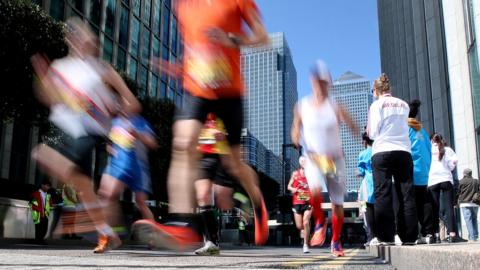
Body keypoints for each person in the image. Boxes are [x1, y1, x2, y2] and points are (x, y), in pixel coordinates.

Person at [135, 0, 270, 249]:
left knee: (233, 163)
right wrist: (177, 68)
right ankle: (182, 223)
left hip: (229, 92)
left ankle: (256, 198)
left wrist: (232, 39)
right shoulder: (183, 6)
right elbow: (196, 49)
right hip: (197, 89)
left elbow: (263, 38)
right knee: (183, 143)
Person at [30, 18, 140, 253]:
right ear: (69, 39)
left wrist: (119, 107)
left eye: (84, 36)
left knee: (47, 157)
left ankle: (88, 220)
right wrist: (44, 81)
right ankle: (107, 233)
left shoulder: (103, 70)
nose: (80, 40)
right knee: (80, 184)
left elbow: (133, 103)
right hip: (62, 128)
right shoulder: (60, 67)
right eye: (74, 35)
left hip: (87, 131)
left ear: (93, 41)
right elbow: (51, 97)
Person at [291, 60, 359, 257]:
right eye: (318, 81)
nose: (322, 84)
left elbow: (352, 124)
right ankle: (320, 221)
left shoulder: (336, 106)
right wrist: (296, 138)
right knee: (314, 190)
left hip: (335, 159)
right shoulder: (302, 105)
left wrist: (357, 132)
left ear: (328, 82)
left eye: (325, 81)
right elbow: (295, 128)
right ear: (312, 81)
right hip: (313, 158)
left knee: (338, 204)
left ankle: (335, 241)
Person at [367, 73, 418, 245]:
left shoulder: (376, 105)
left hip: (382, 150)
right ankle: (409, 236)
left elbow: (372, 133)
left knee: (383, 193)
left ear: (376, 90)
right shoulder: (403, 104)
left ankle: (386, 237)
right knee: (406, 193)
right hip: (404, 150)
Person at [95, 113, 157, 253]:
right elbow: (110, 144)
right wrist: (111, 149)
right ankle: (109, 237)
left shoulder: (140, 121)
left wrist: (137, 134)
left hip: (138, 167)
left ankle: (152, 236)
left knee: (141, 203)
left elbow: (153, 144)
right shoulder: (115, 122)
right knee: (107, 196)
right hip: (118, 166)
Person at [194, 114, 236, 255]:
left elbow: (236, 131)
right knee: (202, 196)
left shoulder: (224, 107)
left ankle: (246, 204)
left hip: (221, 155)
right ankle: (211, 243)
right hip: (203, 157)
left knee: (223, 199)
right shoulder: (197, 109)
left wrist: (225, 135)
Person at [407, 100, 434, 245]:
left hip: (412, 172)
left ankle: (413, 234)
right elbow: (429, 151)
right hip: (425, 171)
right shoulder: (421, 130)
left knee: (410, 203)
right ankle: (428, 232)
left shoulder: (406, 129)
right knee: (425, 202)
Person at [428, 133, 459, 243]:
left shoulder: (429, 149)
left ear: (431, 140)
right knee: (449, 207)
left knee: (434, 208)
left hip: (432, 180)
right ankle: (452, 234)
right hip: (446, 179)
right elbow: (451, 166)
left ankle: (435, 235)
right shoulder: (447, 149)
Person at [287, 156, 313, 253]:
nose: (304, 162)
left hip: (308, 201)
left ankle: (305, 245)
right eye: (302, 161)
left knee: (305, 221)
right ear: (300, 163)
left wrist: (309, 186)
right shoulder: (295, 174)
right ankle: (306, 231)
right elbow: (289, 186)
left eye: (305, 161)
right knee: (299, 226)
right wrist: (295, 189)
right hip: (297, 201)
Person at [357, 132, 376, 246]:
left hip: (367, 187)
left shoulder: (363, 154)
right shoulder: (378, 150)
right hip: (379, 185)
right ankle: (378, 236)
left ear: (364, 141)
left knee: (366, 211)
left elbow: (361, 172)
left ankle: (370, 237)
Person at [457, 168, 479, 242]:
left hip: (465, 203)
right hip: (475, 203)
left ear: (464, 174)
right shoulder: (476, 181)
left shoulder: (461, 182)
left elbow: (458, 192)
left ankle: (472, 237)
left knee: (468, 220)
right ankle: (475, 235)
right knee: (474, 219)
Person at [30, 179, 52, 244]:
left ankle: (40, 240)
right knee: (39, 228)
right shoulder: (36, 193)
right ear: (42, 185)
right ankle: (38, 240)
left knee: (45, 228)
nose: (48, 187)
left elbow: (50, 204)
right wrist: (36, 209)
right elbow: (32, 202)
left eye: (49, 186)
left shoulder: (48, 195)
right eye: (47, 185)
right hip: (38, 213)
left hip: (45, 214)